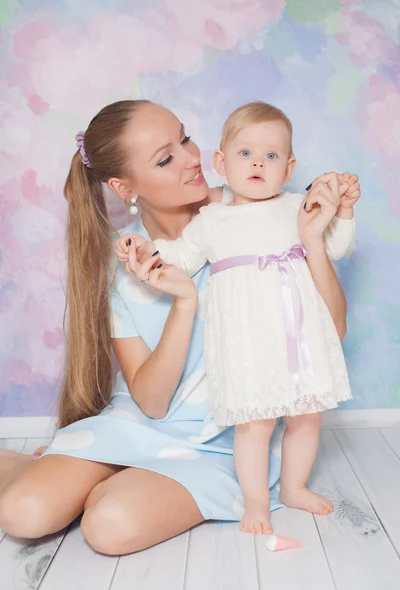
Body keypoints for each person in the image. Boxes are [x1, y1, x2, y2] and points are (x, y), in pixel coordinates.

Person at [0, 100, 359, 555]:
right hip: (146, 424)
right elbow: (151, 402)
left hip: (234, 437)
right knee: (25, 513)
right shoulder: (128, 264)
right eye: (166, 158)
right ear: (123, 186)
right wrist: (184, 301)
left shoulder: (263, 208)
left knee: (111, 526)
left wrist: (314, 240)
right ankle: (61, 470)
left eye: (186, 137)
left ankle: (105, 482)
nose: (190, 158)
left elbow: (334, 330)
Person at [114, 101, 359, 534]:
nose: (259, 163)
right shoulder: (211, 220)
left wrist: (342, 210)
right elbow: (181, 257)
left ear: (289, 167)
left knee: (307, 416)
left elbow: (334, 247)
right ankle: (256, 502)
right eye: (246, 154)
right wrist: (144, 251)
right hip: (247, 341)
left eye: (272, 155)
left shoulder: (297, 206)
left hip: (297, 336)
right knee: (254, 425)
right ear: (222, 163)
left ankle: (294, 486)